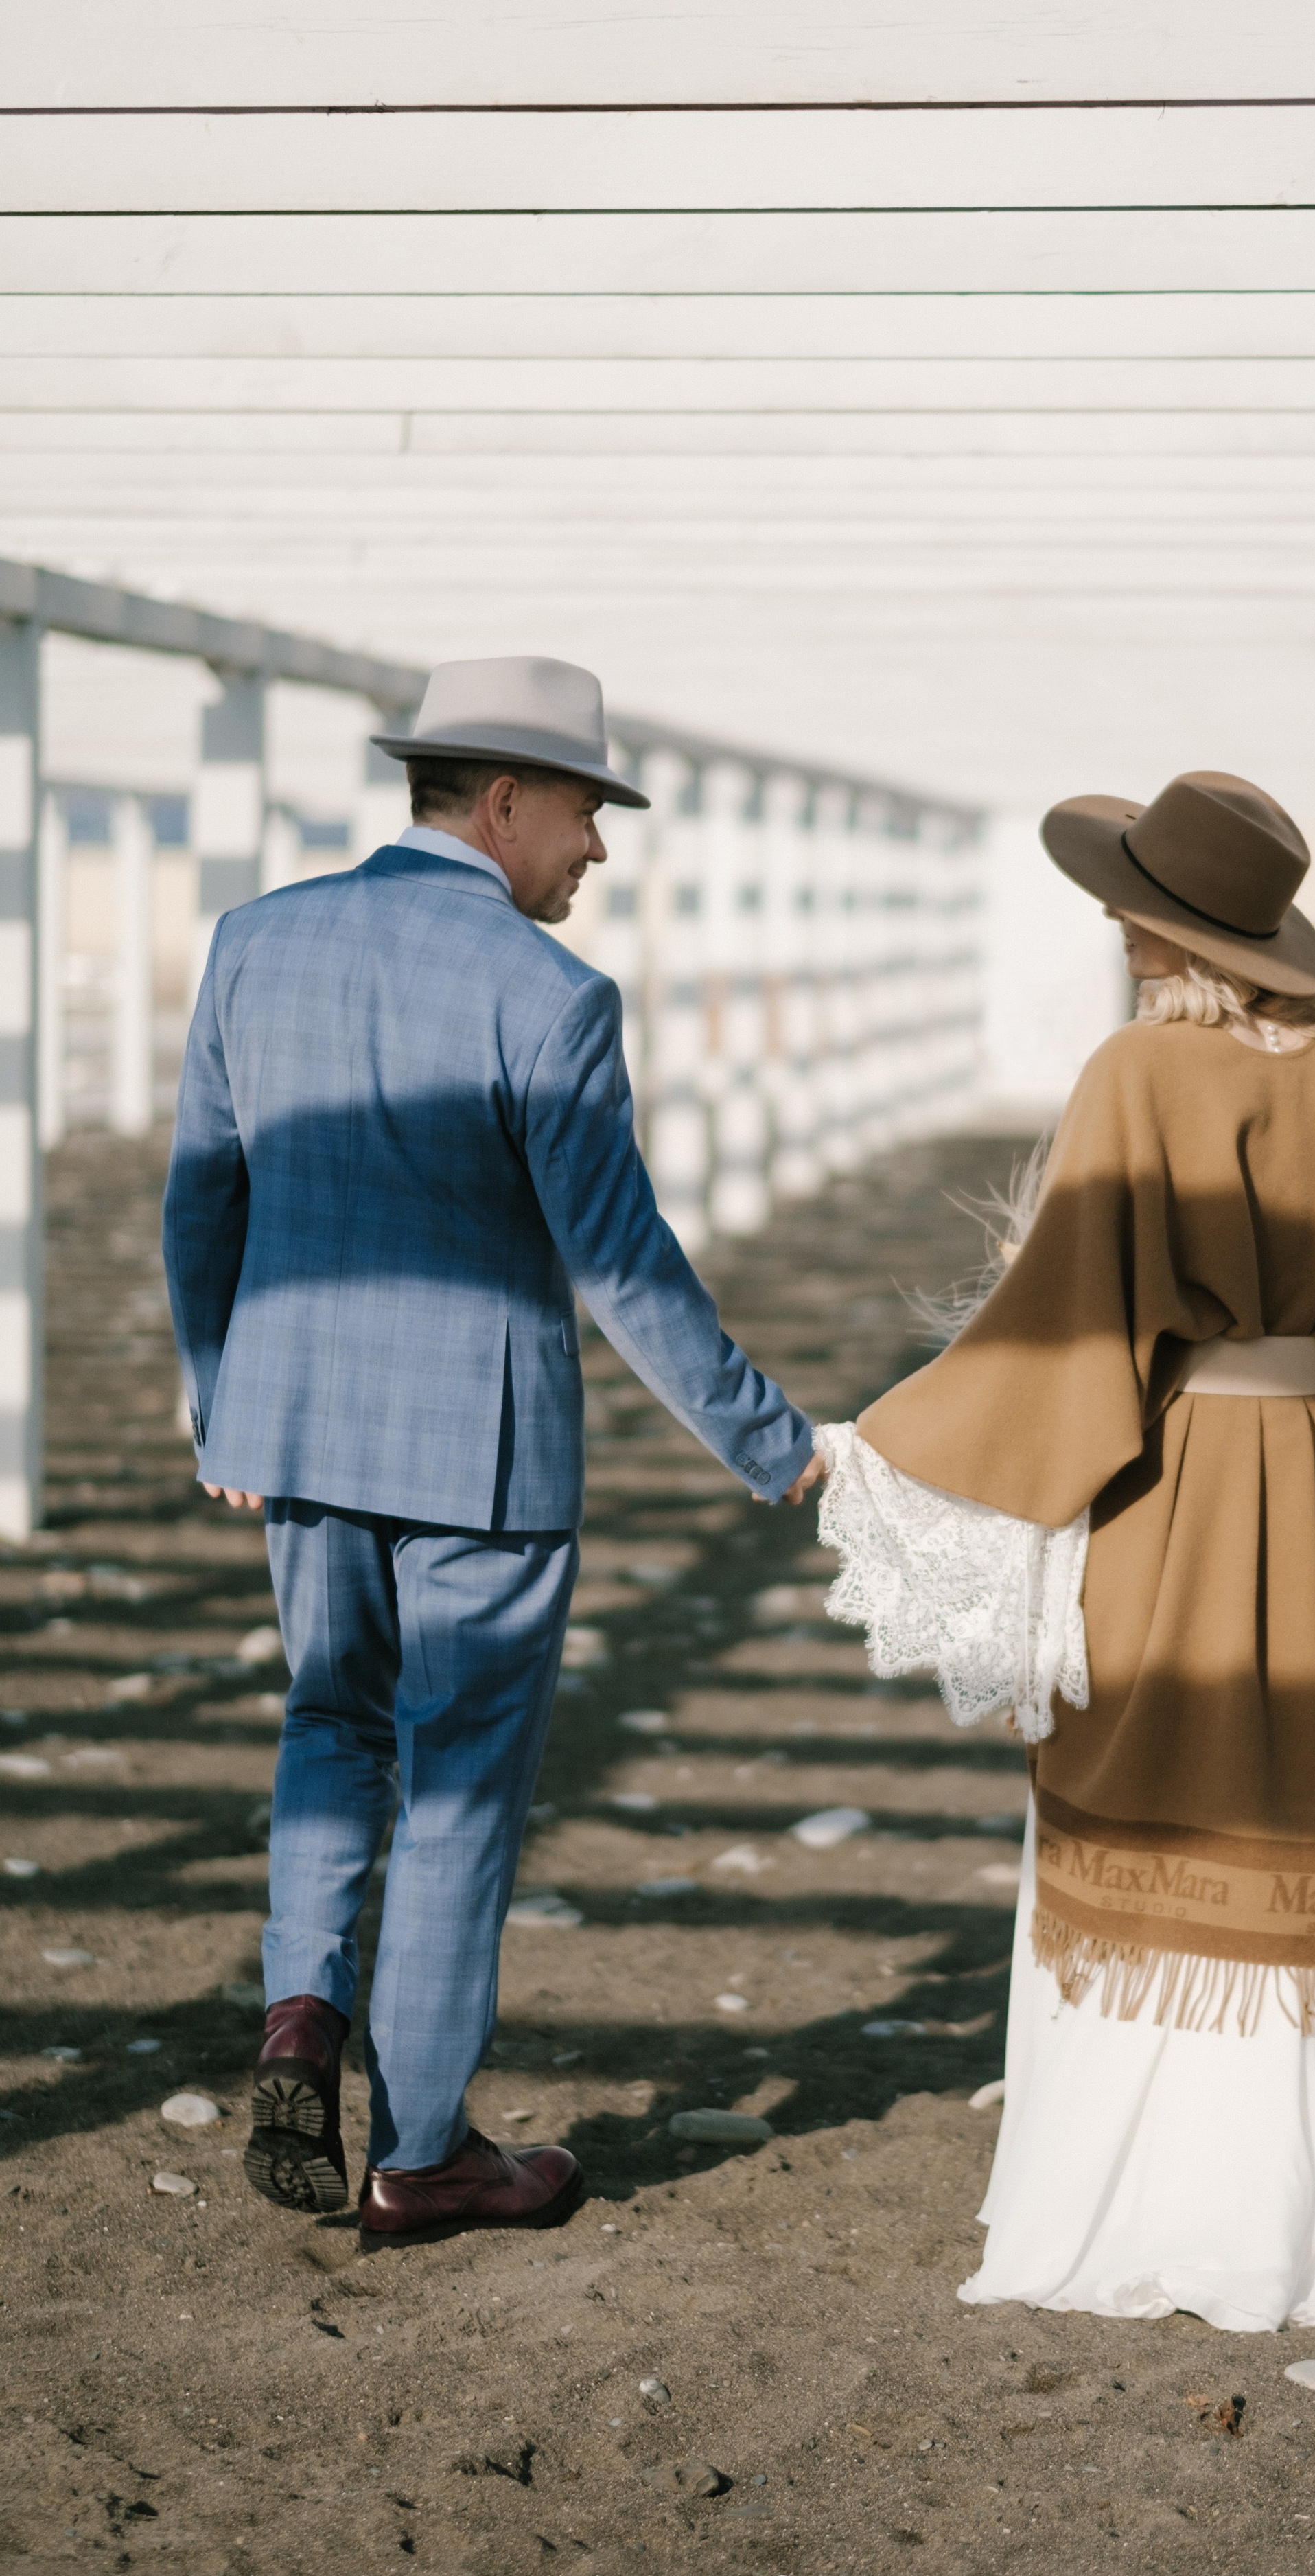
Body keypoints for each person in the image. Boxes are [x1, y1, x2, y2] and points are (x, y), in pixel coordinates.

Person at [815, 770, 1315, 2332]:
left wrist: (887, 1448)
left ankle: (1157, 2210)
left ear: (1150, 932)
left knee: (1168, 1776)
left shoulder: (1138, 1075)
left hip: (1186, 1481)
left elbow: (1066, 1326)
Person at [163, 655, 823, 2246]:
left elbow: (205, 1195)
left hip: (299, 1429)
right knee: (459, 1790)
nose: (596, 850)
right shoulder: (550, 998)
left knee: (331, 1725)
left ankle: (301, 2011)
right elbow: (617, 1265)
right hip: (485, 1455)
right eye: (588, 813)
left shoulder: (256, 945)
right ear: (506, 800)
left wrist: (220, 1398)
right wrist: (774, 1446)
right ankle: (421, 2154)